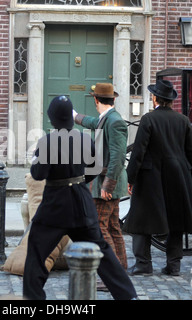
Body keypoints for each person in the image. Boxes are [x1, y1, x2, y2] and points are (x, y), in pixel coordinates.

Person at [23, 95, 137, 300]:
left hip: (54, 208)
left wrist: (36, 158)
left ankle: (33, 299)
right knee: (103, 253)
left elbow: (38, 174)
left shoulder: (47, 141)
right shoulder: (85, 139)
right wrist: (77, 180)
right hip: (81, 204)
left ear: (53, 118)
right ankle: (128, 296)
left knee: (36, 253)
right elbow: (94, 170)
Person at [123, 79, 192, 276]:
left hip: (151, 177)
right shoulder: (183, 120)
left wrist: (130, 178)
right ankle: (173, 265)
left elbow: (138, 152)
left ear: (156, 98)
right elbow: (191, 152)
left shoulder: (148, 119)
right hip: (179, 175)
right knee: (176, 221)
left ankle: (143, 264)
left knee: (141, 220)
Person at [73, 83, 128, 269]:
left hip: (107, 186)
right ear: (113, 99)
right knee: (112, 228)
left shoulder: (115, 121)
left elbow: (118, 156)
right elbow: (91, 122)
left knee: (100, 228)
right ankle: (120, 268)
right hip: (104, 183)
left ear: (96, 100)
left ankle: (111, 273)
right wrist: (74, 116)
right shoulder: (106, 118)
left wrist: (107, 186)